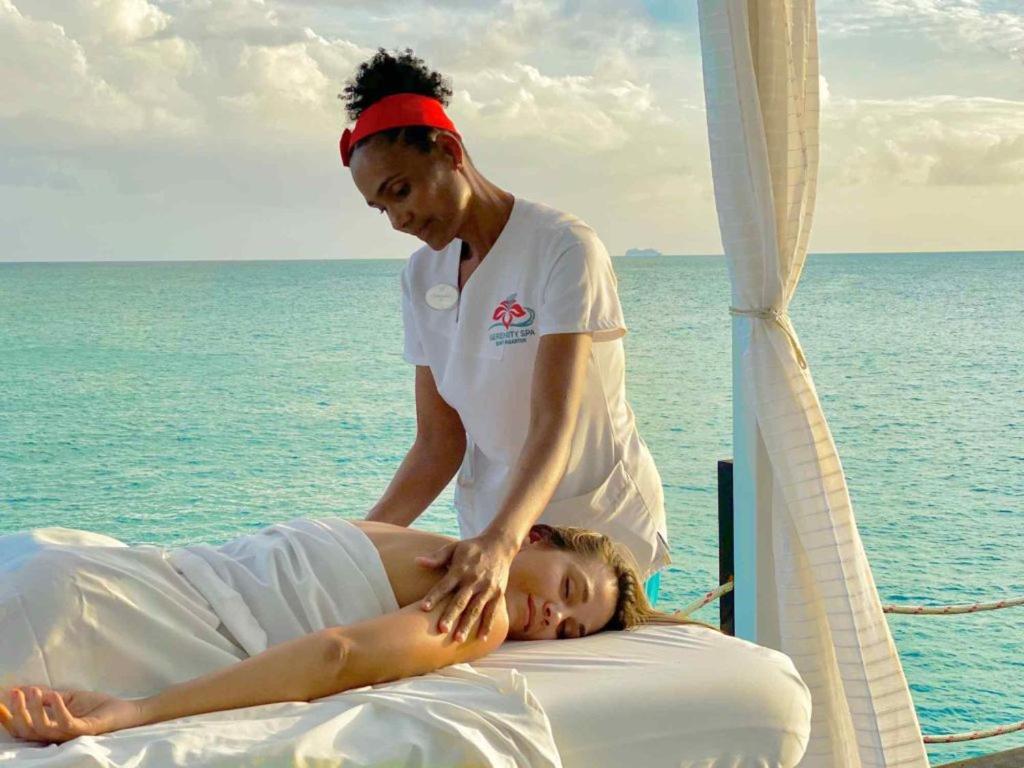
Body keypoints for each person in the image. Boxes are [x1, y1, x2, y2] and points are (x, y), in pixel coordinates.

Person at [343, 47, 673, 646]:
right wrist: (350, 545)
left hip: (591, 544)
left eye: (401, 190)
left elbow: (554, 421)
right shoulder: (421, 276)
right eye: (380, 207)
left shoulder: (562, 247)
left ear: (450, 151)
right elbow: (438, 442)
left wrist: (502, 541)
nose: (397, 219)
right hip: (496, 538)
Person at [0, 517, 717, 745]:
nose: (555, 618)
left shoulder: (400, 533)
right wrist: (137, 713)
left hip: (89, 573)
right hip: (114, 621)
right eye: (568, 589)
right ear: (533, 537)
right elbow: (338, 656)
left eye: (569, 633)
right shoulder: (485, 608)